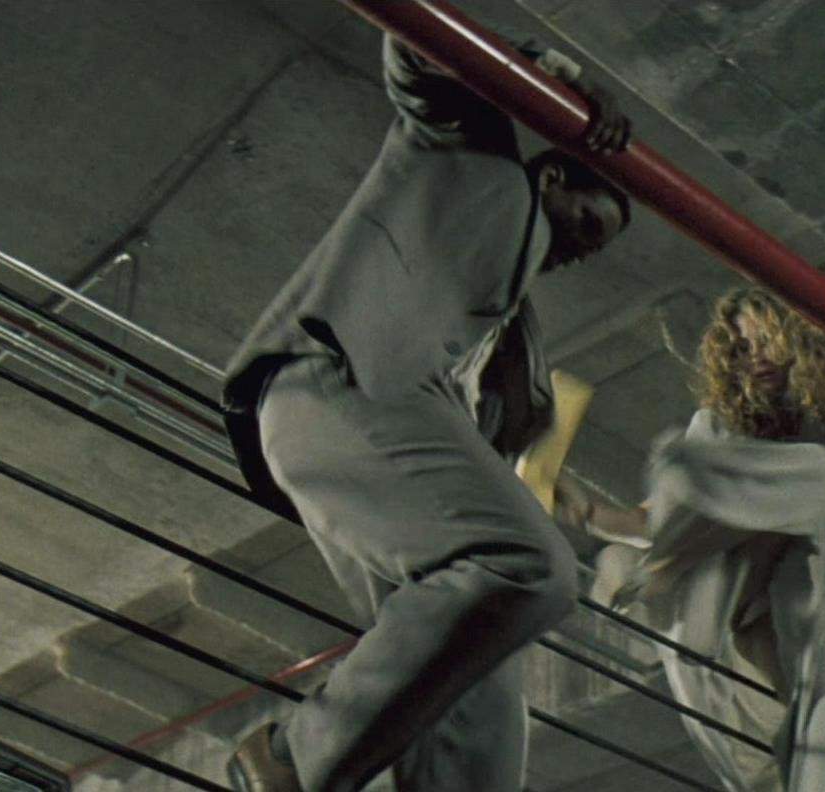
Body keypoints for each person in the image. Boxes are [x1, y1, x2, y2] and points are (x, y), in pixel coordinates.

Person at [218, 20, 634, 792]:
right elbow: (415, 55)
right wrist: (556, 82)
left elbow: (504, 454)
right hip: (332, 386)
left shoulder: (515, 342)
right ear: (552, 178)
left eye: (595, 248)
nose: (581, 249)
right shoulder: (470, 157)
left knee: (480, 687)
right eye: (587, 224)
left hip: (388, 453)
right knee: (532, 567)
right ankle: (289, 757)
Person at [558, 288, 825, 792]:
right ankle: (661, 574)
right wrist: (589, 515)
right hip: (729, 574)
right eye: (742, 350)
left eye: (765, 342)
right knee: (811, 472)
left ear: (793, 341)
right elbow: (651, 520)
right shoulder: (718, 423)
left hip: (798, 591)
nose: (756, 358)